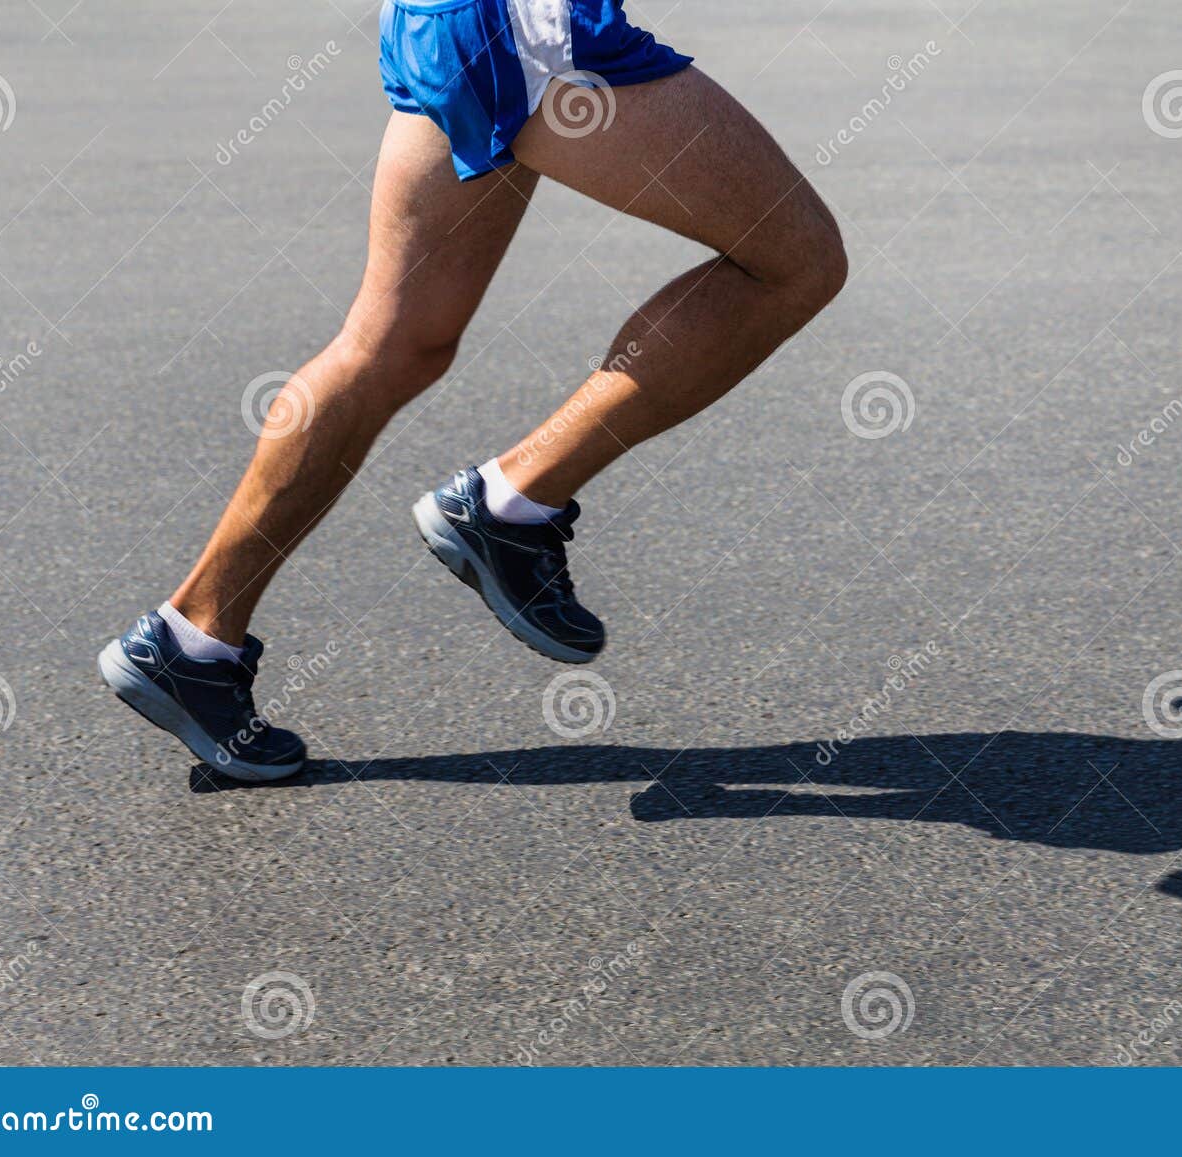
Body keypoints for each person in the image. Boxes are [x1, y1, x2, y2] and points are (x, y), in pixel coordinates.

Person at [97, 0, 847, 781]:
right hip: (531, 29)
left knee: (392, 345)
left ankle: (190, 640)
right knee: (796, 262)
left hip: (445, 22)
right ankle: (512, 504)